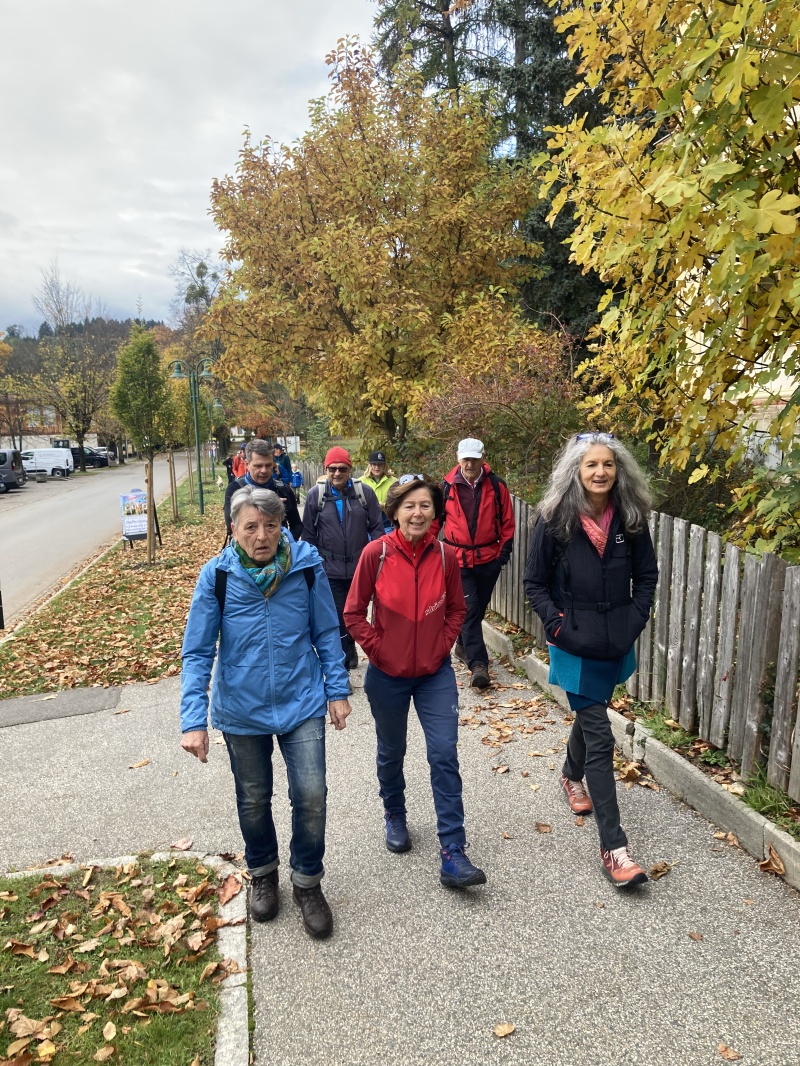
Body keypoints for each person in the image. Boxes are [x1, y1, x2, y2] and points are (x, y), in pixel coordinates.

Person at [180, 485, 352, 938]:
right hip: (242, 709)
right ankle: (264, 873)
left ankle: (307, 882)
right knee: (254, 799)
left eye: (271, 526)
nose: (262, 536)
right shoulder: (216, 576)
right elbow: (197, 653)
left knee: (311, 796)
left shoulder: (307, 567)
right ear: (233, 529)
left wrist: (337, 691)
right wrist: (193, 720)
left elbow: (327, 633)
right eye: (251, 526)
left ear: (282, 528)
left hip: (301, 701)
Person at [523, 432, 658, 888]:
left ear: (618, 471)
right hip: (573, 643)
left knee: (591, 713)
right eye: (590, 465)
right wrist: (557, 625)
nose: (600, 472)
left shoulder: (631, 518)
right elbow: (534, 583)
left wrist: (633, 622)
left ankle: (568, 775)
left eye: (608, 464)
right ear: (575, 471)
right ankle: (615, 849)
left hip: (615, 640)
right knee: (601, 737)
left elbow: (647, 578)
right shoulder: (555, 519)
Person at [344, 474, 487, 890]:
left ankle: (454, 852)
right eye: (409, 505)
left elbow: (458, 611)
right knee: (392, 750)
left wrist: (442, 646)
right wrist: (380, 650)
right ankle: (395, 813)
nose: (417, 513)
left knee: (444, 752)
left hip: (434, 675)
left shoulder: (445, 557)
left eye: (425, 505)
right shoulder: (377, 554)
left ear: (435, 512)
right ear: (394, 512)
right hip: (387, 676)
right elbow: (353, 613)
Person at [437, 437, 515, 689]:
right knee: (469, 609)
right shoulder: (446, 486)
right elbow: (435, 522)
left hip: (488, 558)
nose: (469, 464)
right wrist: (427, 553)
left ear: (482, 459)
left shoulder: (496, 485)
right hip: (457, 559)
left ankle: (462, 645)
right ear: (458, 458)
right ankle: (478, 664)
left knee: (478, 609)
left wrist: (502, 556)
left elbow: (507, 523)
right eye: (465, 459)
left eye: (474, 459)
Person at [301, 447, 384, 671]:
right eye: (332, 469)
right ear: (325, 469)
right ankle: (343, 662)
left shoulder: (364, 493)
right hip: (330, 568)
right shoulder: (315, 496)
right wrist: (311, 567)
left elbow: (377, 528)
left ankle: (350, 646)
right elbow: (308, 535)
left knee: (356, 611)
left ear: (350, 469)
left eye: (342, 469)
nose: (337, 473)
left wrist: (379, 559)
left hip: (360, 567)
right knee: (338, 614)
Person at [224, 439, 302, 541]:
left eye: (268, 465)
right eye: (258, 466)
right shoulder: (235, 489)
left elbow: (297, 525)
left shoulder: (283, 490)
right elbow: (231, 527)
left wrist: (284, 544)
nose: (264, 470)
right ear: (247, 464)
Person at [361, 450, 397, 534]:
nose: (377, 467)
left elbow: (398, 502)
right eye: (374, 464)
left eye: (380, 464)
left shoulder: (394, 482)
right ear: (369, 465)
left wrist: (384, 506)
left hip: (387, 525)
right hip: (365, 526)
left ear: (385, 466)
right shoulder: (360, 482)